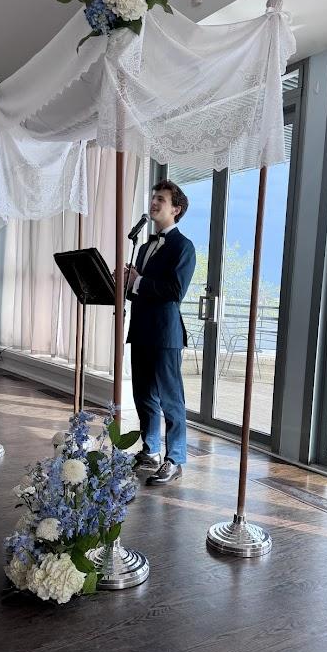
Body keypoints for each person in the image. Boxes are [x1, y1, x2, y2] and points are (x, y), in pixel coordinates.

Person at [125, 180, 196, 485]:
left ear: (176, 209)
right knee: (143, 395)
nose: (154, 202)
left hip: (166, 335)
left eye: (161, 199)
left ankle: (175, 459)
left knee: (170, 399)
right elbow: (140, 293)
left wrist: (138, 282)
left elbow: (175, 291)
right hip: (141, 329)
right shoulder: (143, 248)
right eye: (154, 197)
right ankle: (151, 449)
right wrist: (127, 284)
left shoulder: (183, 246)